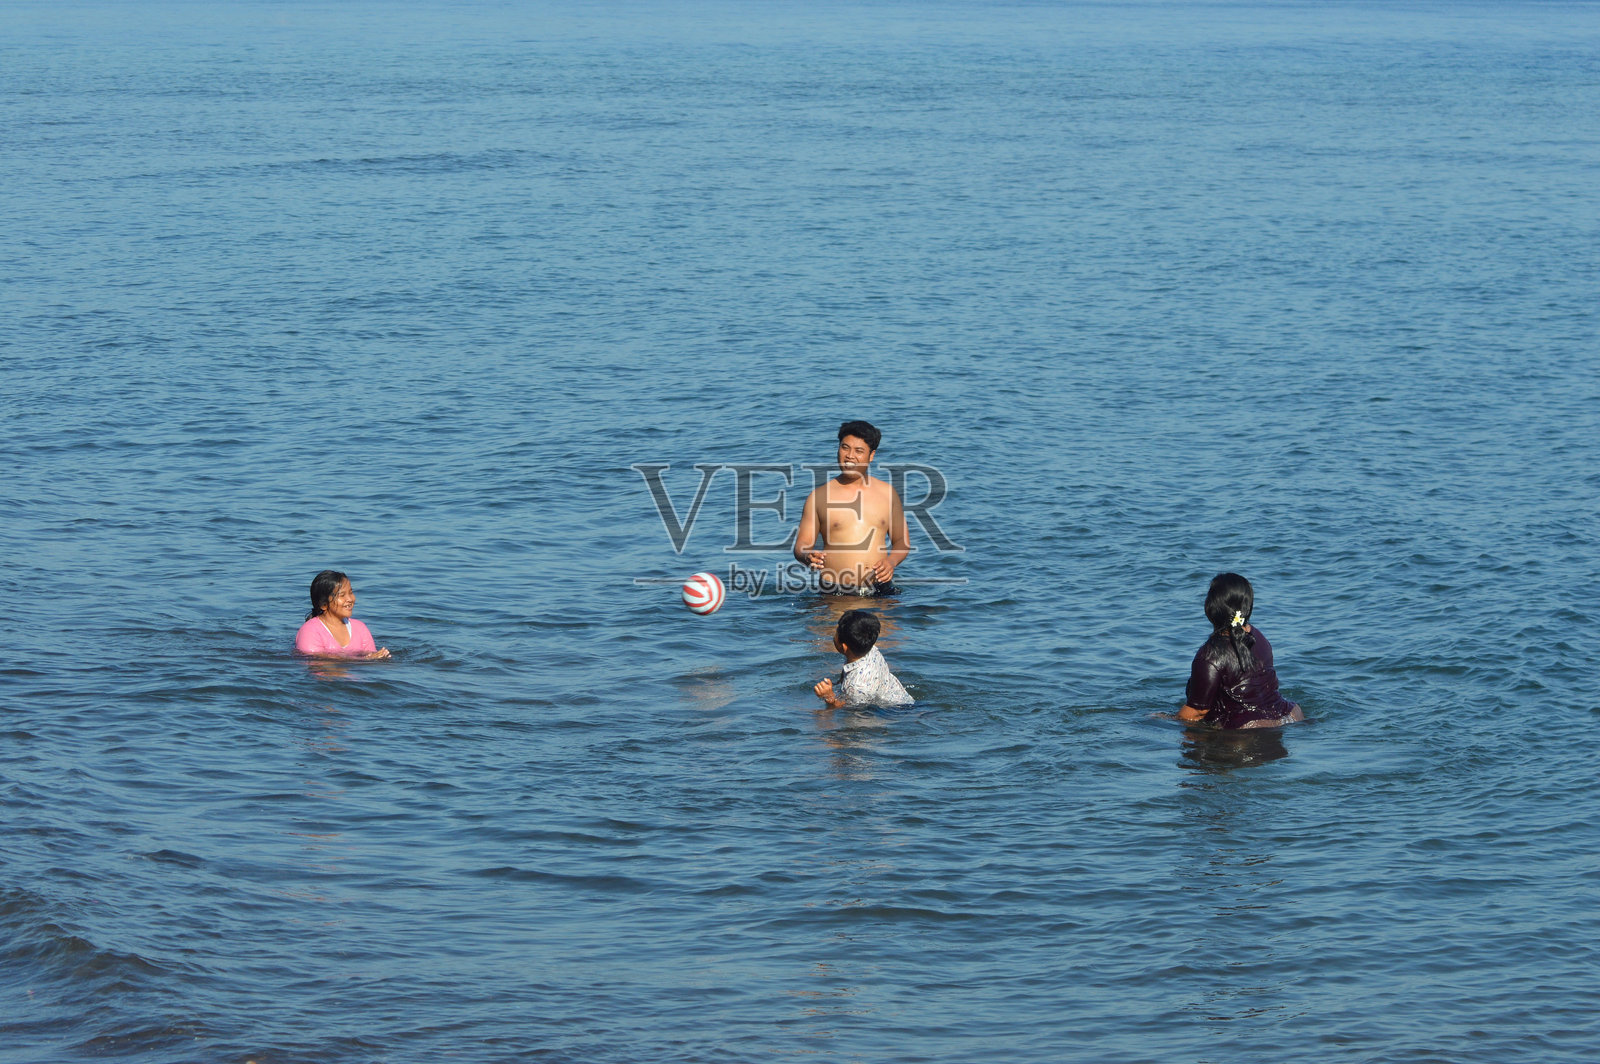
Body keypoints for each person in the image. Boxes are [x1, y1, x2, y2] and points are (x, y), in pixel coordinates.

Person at [793, 420, 910, 595]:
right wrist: (807, 556)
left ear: (871, 455)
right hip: (834, 592)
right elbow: (801, 545)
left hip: (879, 590)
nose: (850, 456)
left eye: (859, 451)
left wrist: (891, 562)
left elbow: (902, 541)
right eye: (845, 447)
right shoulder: (818, 497)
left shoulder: (888, 494)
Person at [1177, 573, 1303, 729]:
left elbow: (1197, 712)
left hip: (1247, 732)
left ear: (1211, 608)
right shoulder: (1258, 636)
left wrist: (1162, 720)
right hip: (1289, 715)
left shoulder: (1209, 656)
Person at [813, 609, 913, 707]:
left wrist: (829, 697)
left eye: (837, 632)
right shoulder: (870, 648)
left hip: (892, 712)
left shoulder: (856, 687)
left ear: (844, 647)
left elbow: (851, 709)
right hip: (902, 699)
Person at [293, 570, 390, 659]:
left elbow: (371, 658)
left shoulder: (360, 628)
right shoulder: (309, 631)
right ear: (324, 605)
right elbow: (316, 662)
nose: (350, 599)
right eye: (342, 595)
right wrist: (364, 660)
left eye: (351, 592)